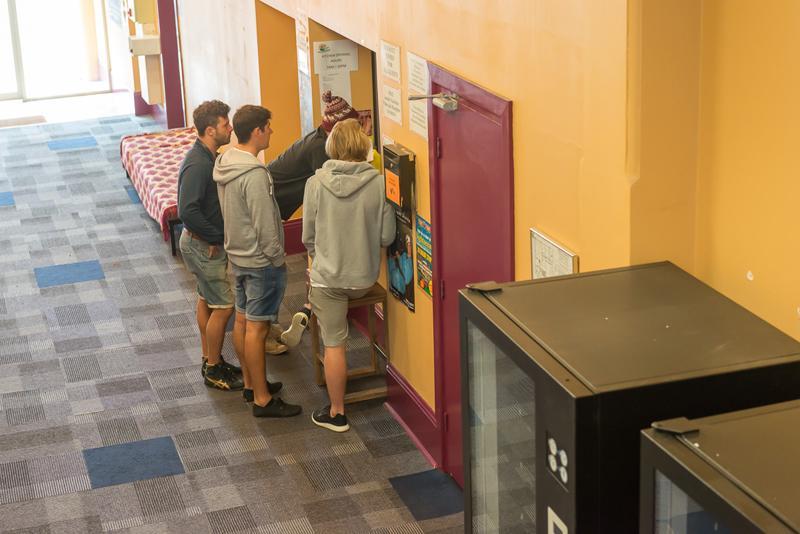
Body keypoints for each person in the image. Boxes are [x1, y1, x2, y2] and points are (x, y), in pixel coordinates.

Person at [302, 119, 395, 432]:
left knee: (334, 344)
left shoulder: (315, 184)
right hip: (363, 279)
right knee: (337, 338)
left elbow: (308, 237)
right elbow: (386, 236)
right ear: (363, 146)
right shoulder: (379, 183)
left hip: (327, 281)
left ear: (332, 147)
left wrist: (319, 259)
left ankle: (338, 411)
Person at [213, 104, 301, 418]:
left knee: (242, 321)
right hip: (260, 261)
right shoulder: (254, 174)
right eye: (268, 127)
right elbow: (265, 222)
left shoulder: (226, 162)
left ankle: (252, 384)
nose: (272, 132)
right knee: (258, 329)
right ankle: (263, 399)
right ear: (257, 131)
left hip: (237, 255)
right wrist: (277, 257)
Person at [268, 91, 360, 348]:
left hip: (277, 201)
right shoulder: (320, 149)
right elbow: (334, 188)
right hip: (271, 202)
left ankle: (303, 312)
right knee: (272, 273)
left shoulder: (320, 139)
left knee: (280, 271)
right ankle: (267, 329)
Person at [177, 100, 242, 391]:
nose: (230, 128)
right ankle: (214, 369)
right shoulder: (198, 164)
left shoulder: (208, 156)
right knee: (225, 307)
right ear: (210, 129)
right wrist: (216, 237)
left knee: (206, 298)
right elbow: (187, 211)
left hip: (203, 244)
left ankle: (209, 356)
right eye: (225, 124)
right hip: (203, 246)